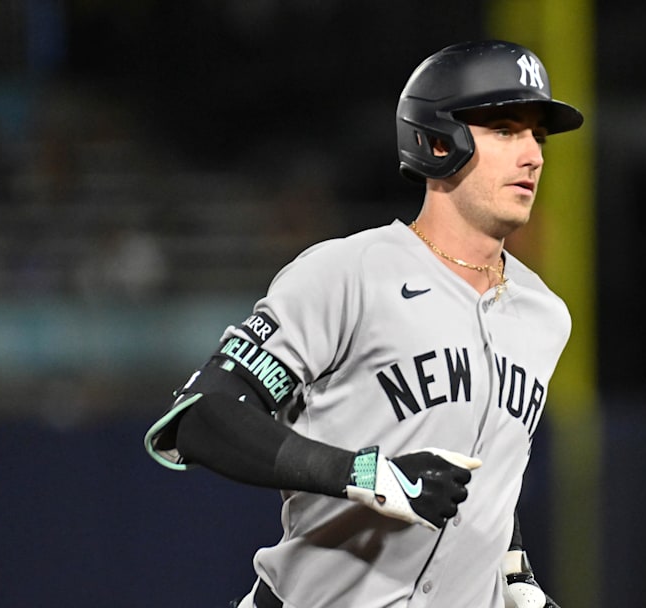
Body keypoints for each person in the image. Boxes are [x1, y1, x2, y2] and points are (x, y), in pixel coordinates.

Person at [144, 39, 583, 608]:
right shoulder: (349, 274)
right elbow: (203, 419)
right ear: (437, 139)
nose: (533, 156)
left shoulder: (544, 315)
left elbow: (488, 463)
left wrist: (516, 573)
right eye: (505, 129)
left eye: (538, 137)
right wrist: (369, 474)